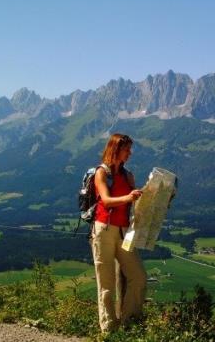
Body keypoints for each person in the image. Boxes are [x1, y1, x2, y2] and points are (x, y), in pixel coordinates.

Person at [91, 133, 146, 333]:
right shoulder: (101, 172)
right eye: (126, 149)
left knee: (138, 277)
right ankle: (108, 329)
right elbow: (105, 200)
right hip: (103, 229)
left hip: (124, 232)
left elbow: (136, 200)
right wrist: (129, 197)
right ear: (115, 149)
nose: (129, 153)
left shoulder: (127, 175)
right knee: (105, 283)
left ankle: (128, 323)